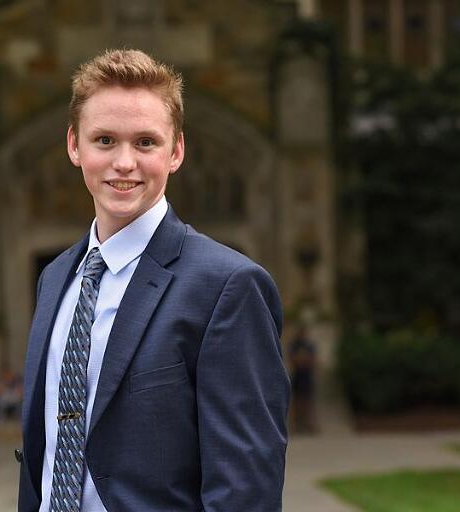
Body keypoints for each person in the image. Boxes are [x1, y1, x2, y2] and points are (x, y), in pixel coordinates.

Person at [16, 49, 289, 512]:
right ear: (73, 146)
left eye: (145, 142)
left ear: (176, 151)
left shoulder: (228, 286)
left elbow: (245, 488)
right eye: (104, 140)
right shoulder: (56, 277)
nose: (124, 162)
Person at [288, 327, 317, 434]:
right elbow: (292, 358)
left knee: (307, 401)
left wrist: (302, 360)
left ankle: (308, 424)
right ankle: (296, 425)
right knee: (296, 402)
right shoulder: (294, 345)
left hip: (306, 376)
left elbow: (312, 360)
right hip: (297, 375)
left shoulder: (309, 345)